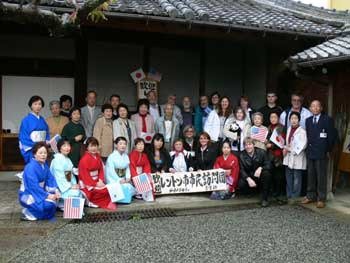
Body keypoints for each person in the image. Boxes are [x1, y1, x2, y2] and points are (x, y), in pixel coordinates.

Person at [302, 100, 336, 208]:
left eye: (317, 106)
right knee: (310, 175)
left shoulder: (327, 119)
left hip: (322, 152)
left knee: (321, 176)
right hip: (311, 151)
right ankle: (310, 196)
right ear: (310, 108)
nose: (315, 108)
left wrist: (328, 150)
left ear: (321, 108)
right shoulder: (308, 120)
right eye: (313, 106)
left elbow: (331, 137)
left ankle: (321, 198)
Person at [19, 142, 60, 221]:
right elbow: (33, 187)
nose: (43, 155)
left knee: (52, 204)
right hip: (28, 193)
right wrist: (47, 196)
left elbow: (50, 179)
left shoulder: (45, 166)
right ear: (34, 154)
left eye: (45, 153)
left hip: (40, 192)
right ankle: (29, 212)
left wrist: (56, 191)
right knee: (48, 205)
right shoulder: (30, 167)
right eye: (40, 153)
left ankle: (34, 213)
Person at [78, 137, 116, 210]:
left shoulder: (98, 156)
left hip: (97, 180)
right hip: (88, 183)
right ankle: (93, 201)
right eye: (91, 146)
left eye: (95, 146)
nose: (94, 148)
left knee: (109, 189)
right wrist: (95, 184)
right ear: (87, 148)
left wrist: (101, 180)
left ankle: (100, 201)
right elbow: (84, 175)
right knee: (99, 192)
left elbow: (101, 169)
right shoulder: (84, 160)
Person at [238, 137, 271, 207]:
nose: (248, 147)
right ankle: (251, 192)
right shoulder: (241, 155)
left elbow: (269, 165)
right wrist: (248, 179)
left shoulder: (262, 152)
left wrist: (260, 168)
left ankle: (264, 198)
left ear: (254, 145)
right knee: (241, 184)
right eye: (246, 145)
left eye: (250, 144)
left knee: (266, 174)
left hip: (259, 176)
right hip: (249, 176)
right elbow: (241, 170)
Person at [282, 112, 307, 201]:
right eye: (292, 118)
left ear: (299, 120)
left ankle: (295, 197)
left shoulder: (302, 131)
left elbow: (303, 145)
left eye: (296, 118)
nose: (294, 120)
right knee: (288, 177)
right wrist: (285, 148)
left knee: (297, 178)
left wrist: (290, 150)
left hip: (297, 157)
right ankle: (289, 195)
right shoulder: (289, 129)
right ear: (289, 120)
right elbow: (288, 143)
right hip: (288, 157)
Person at [50, 139, 81, 208]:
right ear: (59, 148)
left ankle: (72, 208)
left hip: (66, 184)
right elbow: (59, 177)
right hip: (60, 187)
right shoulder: (57, 160)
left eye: (68, 145)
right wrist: (70, 186)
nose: (67, 148)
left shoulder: (67, 159)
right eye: (64, 146)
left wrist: (73, 184)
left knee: (78, 191)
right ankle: (63, 204)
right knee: (75, 193)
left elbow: (69, 175)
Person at [19, 96, 50, 164]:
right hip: (33, 149)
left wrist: (47, 142)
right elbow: (24, 137)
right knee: (33, 167)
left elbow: (47, 133)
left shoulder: (42, 120)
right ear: (31, 106)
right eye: (35, 104)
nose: (38, 106)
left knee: (44, 167)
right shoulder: (26, 120)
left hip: (42, 148)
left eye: (39, 104)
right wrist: (37, 147)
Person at [105, 137, 136, 203]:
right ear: (116, 145)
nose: (123, 145)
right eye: (120, 143)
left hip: (123, 178)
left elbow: (127, 168)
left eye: (124, 144)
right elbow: (111, 171)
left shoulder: (126, 156)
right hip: (114, 179)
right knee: (121, 188)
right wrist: (118, 179)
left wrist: (128, 177)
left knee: (128, 187)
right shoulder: (111, 157)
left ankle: (125, 200)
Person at [266, 111, 286, 204]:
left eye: (275, 117)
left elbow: (282, 142)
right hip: (270, 155)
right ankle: (273, 194)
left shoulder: (281, 128)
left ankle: (280, 194)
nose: (273, 119)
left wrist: (272, 146)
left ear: (278, 118)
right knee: (272, 175)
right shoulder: (268, 127)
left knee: (279, 176)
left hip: (278, 155)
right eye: (271, 117)